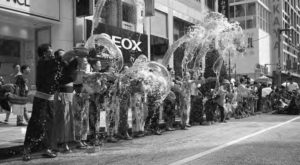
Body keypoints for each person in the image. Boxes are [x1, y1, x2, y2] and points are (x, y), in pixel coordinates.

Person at [23, 44, 61, 161]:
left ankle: (47, 148)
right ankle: (26, 150)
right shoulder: (42, 63)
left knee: (49, 125)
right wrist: (66, 56)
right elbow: (56, 62)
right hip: (41, 100)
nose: (52, 52)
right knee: (36, 124)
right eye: (50, 51)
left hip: (49, 100)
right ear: (44, 53)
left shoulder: (50, 64)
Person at [53, 49, 77, 153]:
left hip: (69, 94)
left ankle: (65, 141)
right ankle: (61, 143)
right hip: (61, 94)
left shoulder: (69, 66)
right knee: (62, 120)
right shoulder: (58, 67)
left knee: (68, 120)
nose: (66, 56)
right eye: (63, 55)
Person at [73, 56, 90, 149]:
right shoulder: (77, 72)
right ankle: (78, 140)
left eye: (87, 61)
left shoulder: (87, 72)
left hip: (86, 98)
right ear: (79, 62)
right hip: (78, 98)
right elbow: (76, 85)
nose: (86, 62)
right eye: (84, 61)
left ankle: (83, 139)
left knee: (85, 120)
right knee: (78, 120)